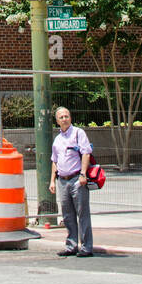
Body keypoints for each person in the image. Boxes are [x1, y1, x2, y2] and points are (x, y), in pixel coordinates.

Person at [50, 105, 93, 257]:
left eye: (66, 116)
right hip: (62, 180)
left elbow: (86, 153)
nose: (64, 119)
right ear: (57, 121)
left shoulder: (78, 133)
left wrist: (83, 174)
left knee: (82, 213)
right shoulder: (57, 140)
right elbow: (54, 161)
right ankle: (71, 245)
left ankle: (87, 247)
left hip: (77, 179)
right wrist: (52, 181)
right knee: (67, 215)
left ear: (70, 118)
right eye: (61, 117)